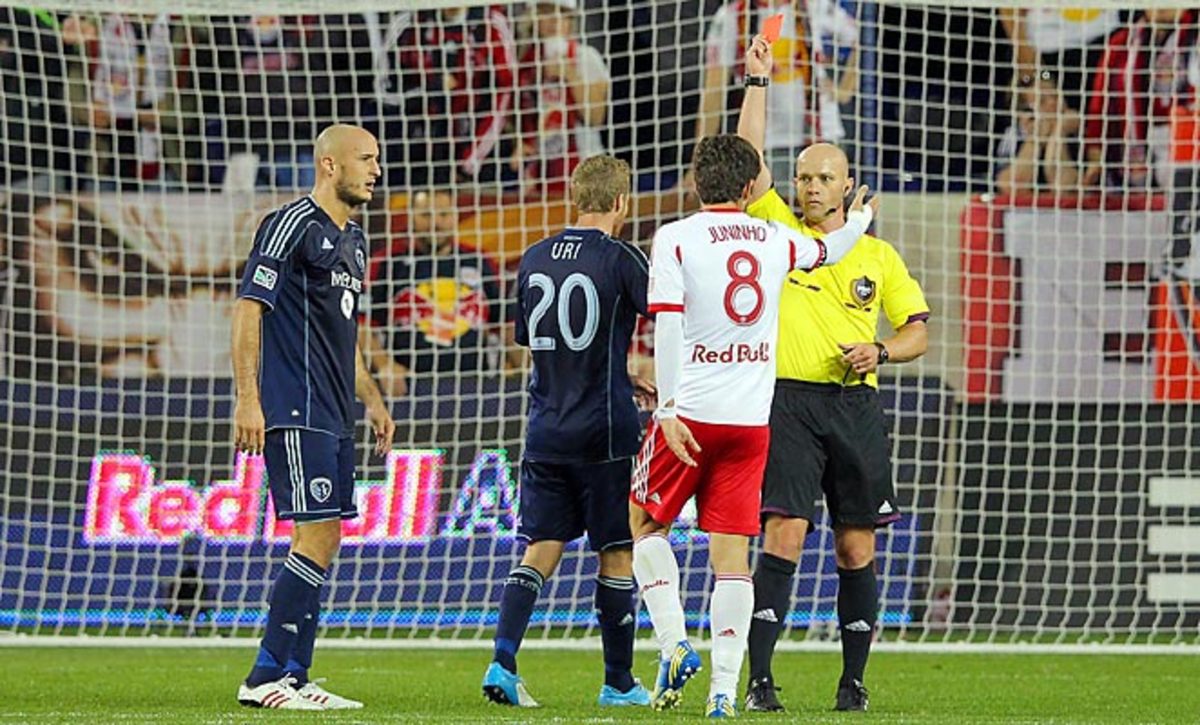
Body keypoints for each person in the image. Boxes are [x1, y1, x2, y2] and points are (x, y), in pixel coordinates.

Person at [630, 133, 877, 718]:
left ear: (695, 182)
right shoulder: (773, 238)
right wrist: (861, 217)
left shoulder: (677, 238)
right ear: (749, 188)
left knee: (642, 522)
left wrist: (665, 410)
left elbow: (666, 326)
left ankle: (672, 643)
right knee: (732, 557)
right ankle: (722, 691)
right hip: (751, 420)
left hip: (691, 411)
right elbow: (832, 250)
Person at [735, 35, 929, 713]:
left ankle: (852, 682)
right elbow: (746, 162)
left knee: (855, 545)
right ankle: (760, 680)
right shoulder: (777, 230)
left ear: (848, 185)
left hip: (854, 405)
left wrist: (884, 351)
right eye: (804, 176)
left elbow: (917, 330)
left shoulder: (877, 252)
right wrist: (757, 83)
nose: (810, 185)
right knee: (783, 533)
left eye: (823, 177)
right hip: (787, 402)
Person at [231, 124, 396, 710]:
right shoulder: (289, 223)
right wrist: (248, 398)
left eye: (377, 159)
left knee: (326, 539)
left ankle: (294, 677)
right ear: (330, 164)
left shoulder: (354, 241)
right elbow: (250, 309)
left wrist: (371, 399)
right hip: (295, 404)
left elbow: (343, 335)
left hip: (333, 411)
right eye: (366, 159)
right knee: (316, 534)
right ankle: (266, 676)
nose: (376, 169)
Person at [480, 155, 654, 708]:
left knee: (540, 550)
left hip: (545, 428)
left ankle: (502, 663)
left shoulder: (532, 259)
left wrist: (612, 370)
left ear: (574, 198)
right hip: (604, 431)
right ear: (622, 203)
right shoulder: (624, 258)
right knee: (616, 552)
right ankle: (619, 682)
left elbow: (534, 342)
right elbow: (661, 317)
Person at [691, 0, 859, 197]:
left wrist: (844, 89)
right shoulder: (732, 15)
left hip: (823, 135)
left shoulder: (815, 6)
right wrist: (698, 162)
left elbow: (863, 40)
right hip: (767, 145)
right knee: (776, 222)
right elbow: (714, 91)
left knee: (826, 220)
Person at [359, 189, 509, 398]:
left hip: (475, 388)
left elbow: (507, 322)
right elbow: (360, 324)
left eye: (444, 215)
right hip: (408, 389)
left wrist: (528, 373)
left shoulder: (481, 261)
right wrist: (385, 365)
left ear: (455, 216)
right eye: (426, 215)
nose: (435, 223)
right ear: (411, 217)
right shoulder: (385, 263)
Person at [516, 0, 611, 194]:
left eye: (562, 13)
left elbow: (596, 117)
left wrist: (569, 73)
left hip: (587, 167)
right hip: (538, 172)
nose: (555, 20)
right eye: (547, 12)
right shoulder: (525, 62)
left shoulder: (586, 56)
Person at [994, 68, 1081, 198]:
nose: (1053, 103)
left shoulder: (1077, 134)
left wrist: (1059, 132)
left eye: (1055, 96)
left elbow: (1065, 188)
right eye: (1042, 101)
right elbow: (1013, 188)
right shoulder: (1014, 136)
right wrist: (1034, 140)